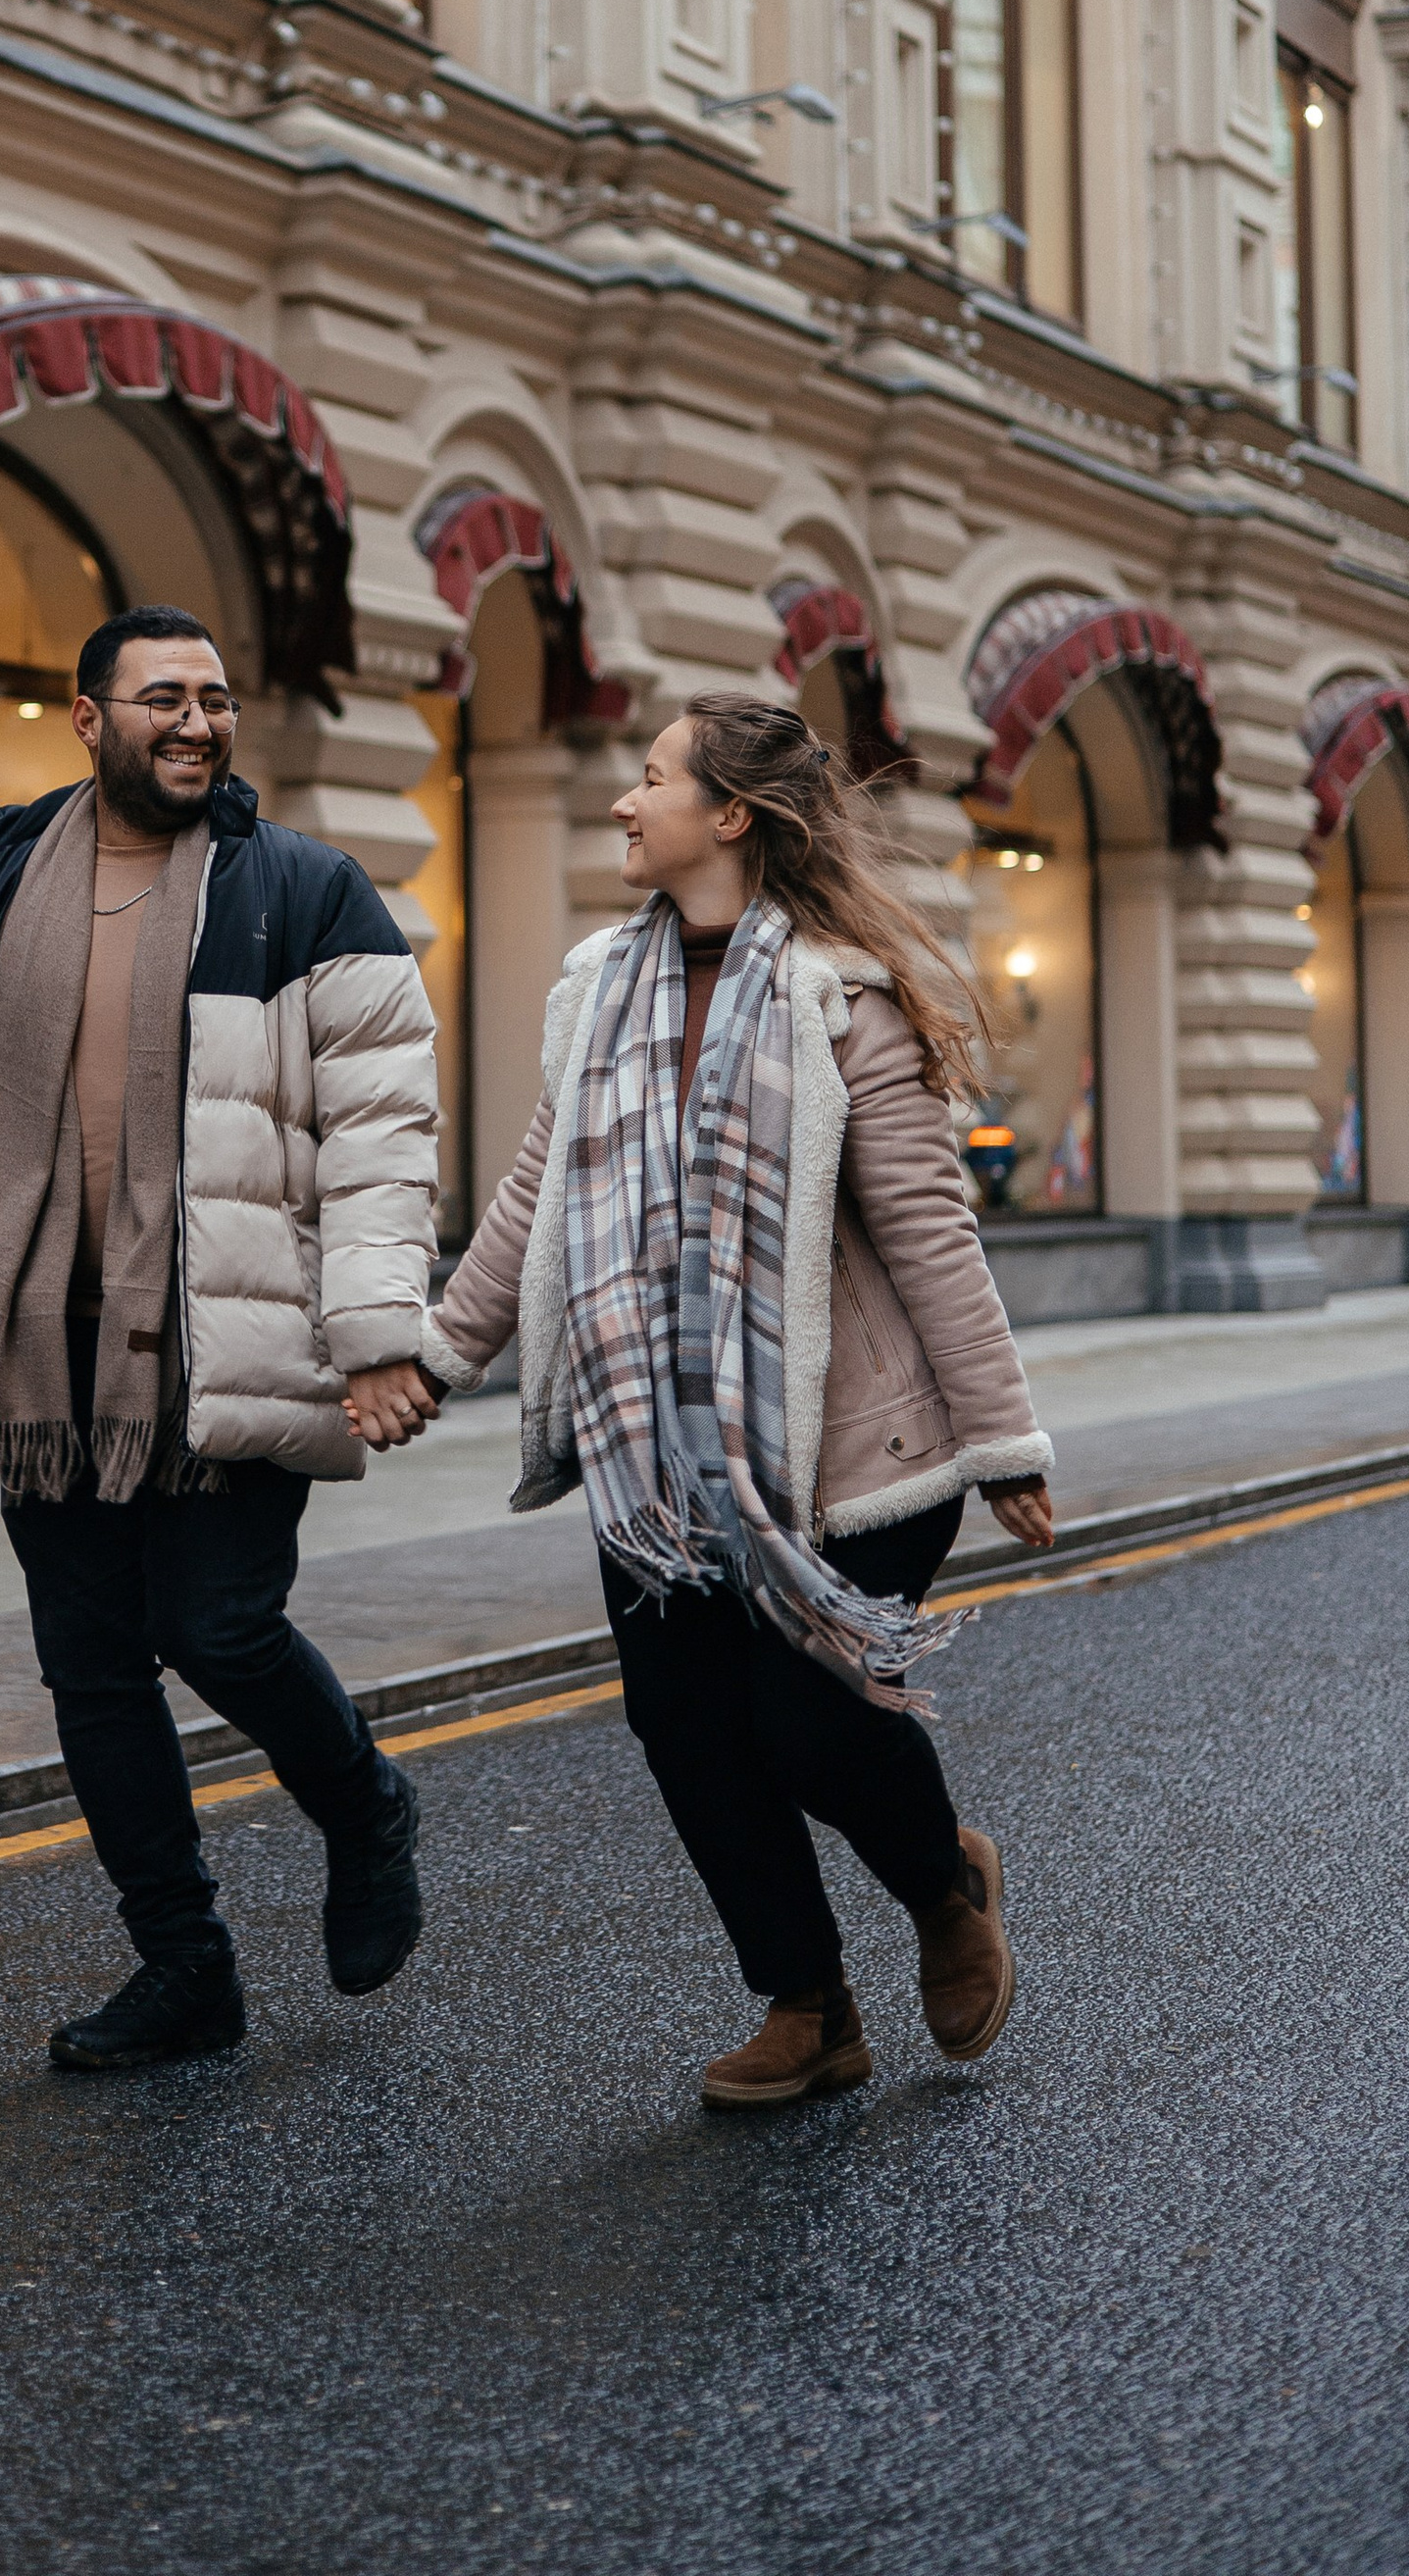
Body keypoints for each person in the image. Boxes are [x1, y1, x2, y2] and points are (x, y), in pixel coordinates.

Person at [0, 604, 456, 2074]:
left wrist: (381, 1332)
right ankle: (184, 1966)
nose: (195, 723)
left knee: (218, 1627)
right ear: (86, 717)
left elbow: (385, 1137)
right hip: (37, 1348)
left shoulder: (307, 891)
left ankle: (366, 1805)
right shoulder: (1, 881)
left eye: (215, 698)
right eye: (161, 699)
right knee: (92, 1667)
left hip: (226, 1333)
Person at [373, 692, 1056, 2112]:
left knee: (809, 1725)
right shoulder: (596, 991)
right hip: (658, 1450)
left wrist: (1003, 1441)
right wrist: (437, 1356)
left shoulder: (839, 997)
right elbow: (534, 1203)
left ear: (728, 815)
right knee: (686, 1727)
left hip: (856, 1445)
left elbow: (930, 1228)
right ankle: (807, 2006)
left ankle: (940, 1884)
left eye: (650, 778)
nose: (625, 802)